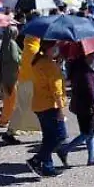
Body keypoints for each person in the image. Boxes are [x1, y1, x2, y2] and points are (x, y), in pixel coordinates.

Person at [27, 41, 67, 177]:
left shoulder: (38, 61)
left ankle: (47, 167)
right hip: (50, 105)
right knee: (60, 135)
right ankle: (37, 159)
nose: (58, 48)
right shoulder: (49, 65)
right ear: (49, 48)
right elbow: (56, 90)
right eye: (55, 46)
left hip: (39, 104)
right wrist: (61, 109)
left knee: (48, 137)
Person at [57, 49, 94, 167]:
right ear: (86, 55)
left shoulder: (77, 67)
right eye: (92, 55)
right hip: (87, 106)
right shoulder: (86, 71)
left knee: (88, 132)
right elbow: (91, 91)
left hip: (78, 105)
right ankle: (64, 150)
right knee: (87, 133)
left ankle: (91, 157)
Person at [0, 27, 22, 131]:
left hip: (6, 75)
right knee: (12, 99)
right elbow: (14, 59)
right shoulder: (11, 43)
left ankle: (5, 119)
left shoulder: (5, 43)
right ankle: (9, 119)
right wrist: (22, 57)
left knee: (8, 99)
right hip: (12, 76)